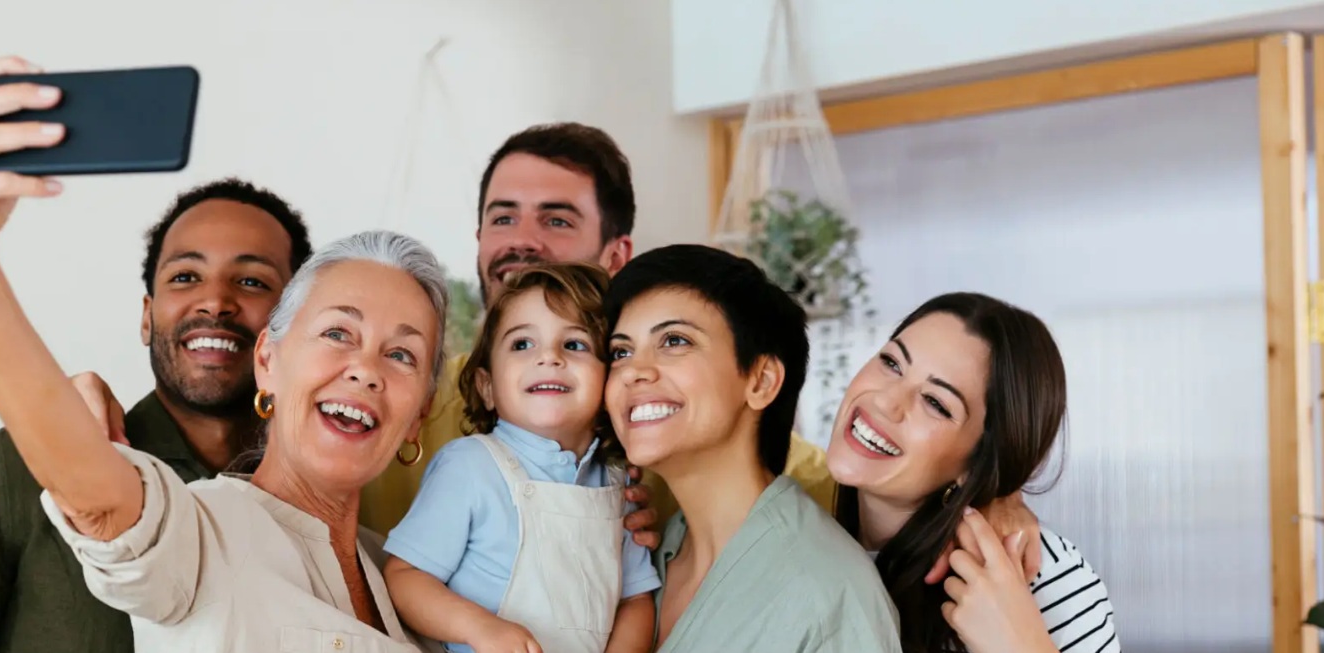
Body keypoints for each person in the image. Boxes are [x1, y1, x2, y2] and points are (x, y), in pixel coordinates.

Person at [0, 57, 312, 653]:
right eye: (184, 278)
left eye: (253, 282)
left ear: (297, 324)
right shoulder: (20, 469)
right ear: (146, 315)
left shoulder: (317, 512)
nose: (215, 302)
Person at [0, 163, 453, 653]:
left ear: (419, 416)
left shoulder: (411, 581)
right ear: (268, 361)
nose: (366, 368)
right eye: (338, 332)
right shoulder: (204, 532)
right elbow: (100, 503)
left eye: (401, 354)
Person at [356, 122, 837, 544]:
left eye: (557, 219)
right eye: (503, 218)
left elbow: (826, 486)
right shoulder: (415, 391)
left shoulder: (667, 397)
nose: (523, 239)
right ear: (480, 242)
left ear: (615, 256)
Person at [603, 244, 900, 651]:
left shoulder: (827, 592)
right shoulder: (642, 555)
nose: (633, 371)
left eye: (674, 340)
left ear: (760, 382)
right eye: (620, 351)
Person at [383, 263, 658, 653]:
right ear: (488, 386)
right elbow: (404, 576)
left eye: (575, 345)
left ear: (610, 382)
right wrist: (479, 628)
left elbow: (635, 600)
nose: (549, 357)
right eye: (522, 344)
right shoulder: (469, 466)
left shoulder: (619, 483)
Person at [826, 293, 1120, 653]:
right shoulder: (798, 514)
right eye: (891, 362)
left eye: (935, 402)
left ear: (979, 463)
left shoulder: (1040, 578)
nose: (886, 401)